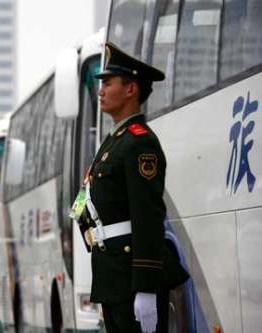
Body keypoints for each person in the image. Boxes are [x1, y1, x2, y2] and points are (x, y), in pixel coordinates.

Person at [81, 42, 189, 333]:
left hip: (130, 276)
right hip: (112, 274)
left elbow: (148, 216)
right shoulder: (115, 140)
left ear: (131, 90)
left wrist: (146, 287)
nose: (100, 90)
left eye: (108, 83)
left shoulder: (140, 143)